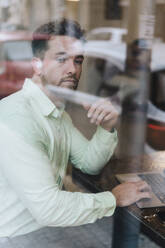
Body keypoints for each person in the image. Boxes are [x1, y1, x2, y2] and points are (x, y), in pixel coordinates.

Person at [0, 19, 150, 239]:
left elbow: (89, 164)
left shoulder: (56, 112)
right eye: (61, 59)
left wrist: (106, 128)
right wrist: (114, 198)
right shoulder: (17, 117)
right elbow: (49, 209)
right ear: (37, 64)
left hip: (42, 228)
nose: (73, 69)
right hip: (16, 236)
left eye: (78, 60)